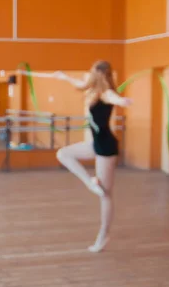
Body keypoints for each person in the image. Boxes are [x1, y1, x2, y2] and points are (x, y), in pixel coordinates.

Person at [52, 61, 133, 253]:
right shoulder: (92, 90)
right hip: (94, 144)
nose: (88, 75)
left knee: (105, 194)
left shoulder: (105, 93)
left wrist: (122, 102)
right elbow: (79, 84)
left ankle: (103, 235)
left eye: (92, 72)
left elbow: (114, 97)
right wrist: (63, 77)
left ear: (99, 75)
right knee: (63, 153)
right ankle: (90, 183)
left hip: (105, 147)